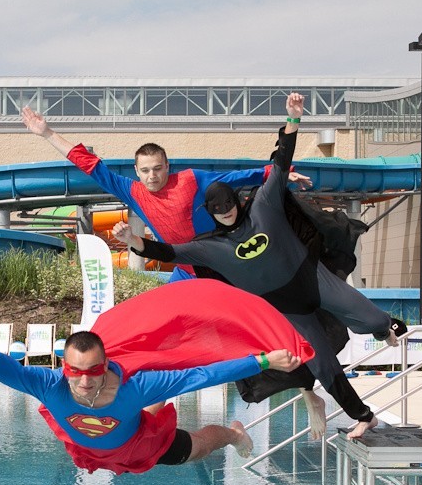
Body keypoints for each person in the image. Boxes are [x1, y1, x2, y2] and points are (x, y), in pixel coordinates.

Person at [113, 92, 401, 440]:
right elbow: (168, 251)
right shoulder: (210, 248)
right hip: (289, 311)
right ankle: (363, 415)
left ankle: (385, 327)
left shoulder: (264, 206)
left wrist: (293, 120)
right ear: (212, 215)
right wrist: (133, 241)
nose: (226, 211)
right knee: (322, 364)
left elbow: (280, 162)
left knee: (371, 320)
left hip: (314, 281)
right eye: (218, 210)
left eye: (229, 204)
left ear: (236, 200)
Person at [21, 103, 324, 435]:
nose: (153, 176)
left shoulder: (190, 181)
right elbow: (90, 164)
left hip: (220, 270)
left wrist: (278, 173)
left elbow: (235, 178)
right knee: (160, 335)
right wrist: (47, 133)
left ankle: (310, 392)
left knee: (263, 328)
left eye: (158, 169)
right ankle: (150, 411)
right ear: (137, 172)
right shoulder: (133, 191)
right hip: (185, 274)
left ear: (168, 167)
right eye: (146, 170)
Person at [0, 279, 312, 475]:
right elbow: (5, 368)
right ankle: (160, 410)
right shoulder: (50, 384)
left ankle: (233, 434)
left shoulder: (134, 386)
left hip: (141, 443)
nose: (87, 381)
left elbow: (203, 374)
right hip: (93, 447)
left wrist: (262, 361)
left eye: (95, 371)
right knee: (147, 400)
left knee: (191, 450)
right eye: (77, 373)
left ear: (106, 364)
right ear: (64, 367)